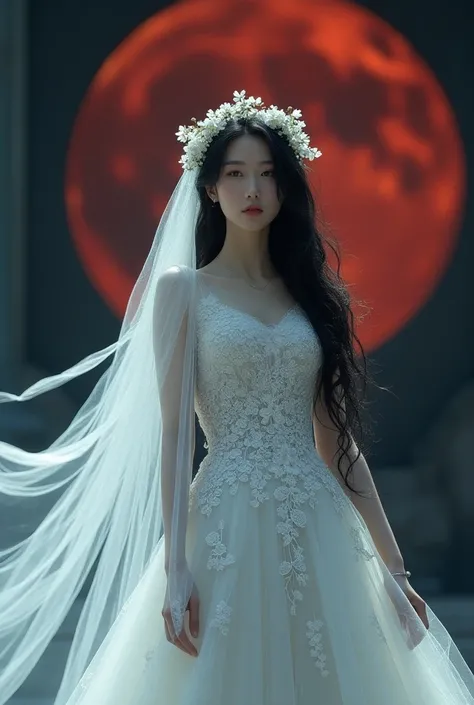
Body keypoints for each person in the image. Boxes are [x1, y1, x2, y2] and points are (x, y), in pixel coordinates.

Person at [1, 90, 474, 705]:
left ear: (285, 188)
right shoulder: (183, 292)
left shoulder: (311, 297)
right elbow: (175, 436)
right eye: (235, 173)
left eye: (268, 174)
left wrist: (394, 567)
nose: (253, 188)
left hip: (319, 527)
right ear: (208, 189)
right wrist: (176, 570)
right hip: (223, 522)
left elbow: (338, 442)